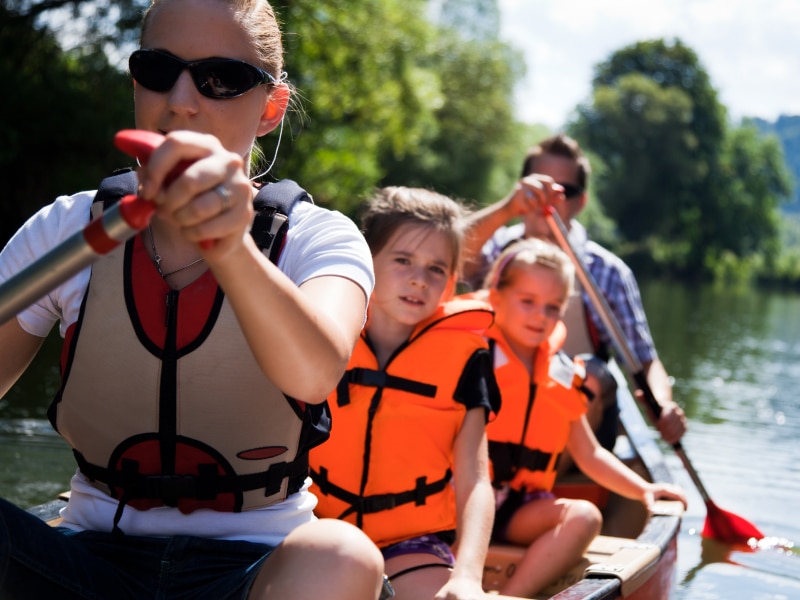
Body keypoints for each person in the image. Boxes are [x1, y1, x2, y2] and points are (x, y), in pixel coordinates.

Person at [0, 1, 387, 598]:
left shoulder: (320, 238)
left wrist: (231, 245)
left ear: (270, 108)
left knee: (344, 554)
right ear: (136, 83)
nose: (180, 99)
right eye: (158, 69)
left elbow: (314, 373)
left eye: (221, 78)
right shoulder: (64, 230)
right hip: (88, 565)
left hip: (254, 568)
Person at [309, 186, 501, 600]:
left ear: (451, 281)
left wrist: (468, 576)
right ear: (366, 260)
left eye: (436, 268)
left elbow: (475, 479)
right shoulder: (321, 332)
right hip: (316, 526)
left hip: (410, 544)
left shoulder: (467, 359)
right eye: (402, 260)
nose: (419, 279)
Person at [476, 238, 687, 598]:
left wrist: (644, 490)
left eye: (553, 307)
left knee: (586, 517)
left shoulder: (559, 372)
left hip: (515, 508)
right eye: (527, 301)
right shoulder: (472, 357)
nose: (541, 315)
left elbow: (589, 454)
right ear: (496, 295)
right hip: (458, 500)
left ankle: (511, 595)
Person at [462, 133, 686, 470]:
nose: (548, 201)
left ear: (581, 202)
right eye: (539, 188)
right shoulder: (494, 249)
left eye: (564, 192)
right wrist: (506, 208)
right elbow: (448, 253)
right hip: (497, 405)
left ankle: (553, 479)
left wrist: (664, 405)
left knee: (591, 374)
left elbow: (644, 360)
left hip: (572, 422)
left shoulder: (608, 272)